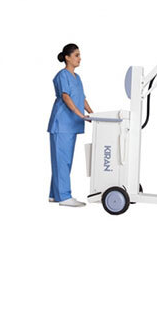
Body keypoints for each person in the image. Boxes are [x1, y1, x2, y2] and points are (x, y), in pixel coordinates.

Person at [47, 43, 94, 207]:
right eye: (76, 55)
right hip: (62, 124)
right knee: (62, 161)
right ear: (67, 57)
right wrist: (80, 115)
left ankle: (54, 194)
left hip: (71, 124)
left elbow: (82, 98)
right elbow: (66, 97)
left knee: (63, 161)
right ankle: (65, 197)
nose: (79, 58)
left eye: (80, 55)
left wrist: (92, 113)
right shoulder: (62, 75)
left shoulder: (77, 77)